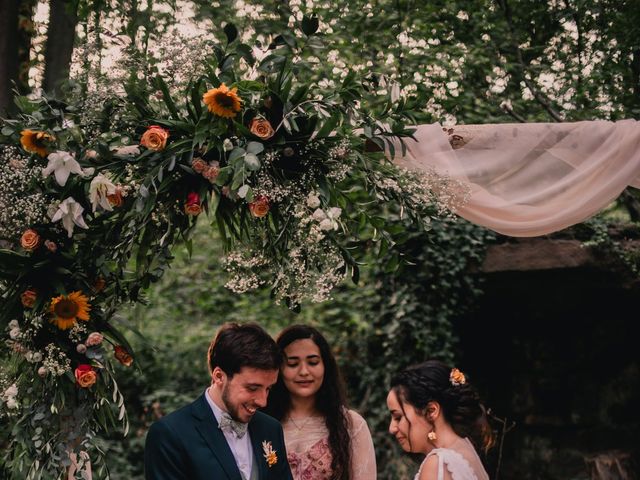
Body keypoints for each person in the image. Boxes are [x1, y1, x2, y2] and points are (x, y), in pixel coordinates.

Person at [144, 322, 294, 480]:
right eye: (252, 388)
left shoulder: (271, 429)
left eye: (268, 389)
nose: (263, 402)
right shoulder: (170, 434)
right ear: (219, 376)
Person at [264, 325, 376, 480]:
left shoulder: (351, 425)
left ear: (325, 366)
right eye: (293, 364)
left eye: (313, 362)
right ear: (278, 369)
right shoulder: (262, 423)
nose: (304, 371)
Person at [387, 360, 494, 480]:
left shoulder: (438, 465)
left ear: (431, 411)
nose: (392, 429)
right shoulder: (464, 446)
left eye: (398, 417)